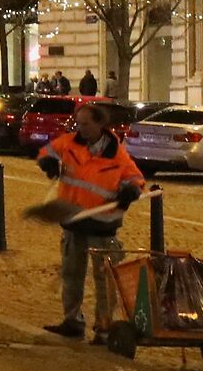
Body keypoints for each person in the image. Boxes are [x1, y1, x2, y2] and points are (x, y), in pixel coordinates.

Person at [36, 102, 145, 341]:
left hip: (102, 225)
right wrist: (48, 162)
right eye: (78, 123)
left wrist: (130, 191)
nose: (80, 128)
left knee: (104, 279)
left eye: (85, 124)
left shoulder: (116, 154)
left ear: (99, 124)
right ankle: (72, 321)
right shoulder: (69, 142)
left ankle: (104, 327)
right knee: (71, 274)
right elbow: (46, 152)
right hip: (74, 221)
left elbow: (136, 179)